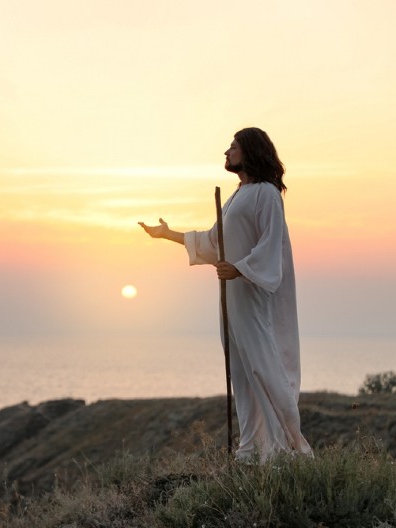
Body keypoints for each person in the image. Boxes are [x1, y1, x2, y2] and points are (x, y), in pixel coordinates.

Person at [139, 127, 312, 462]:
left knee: (263, 368)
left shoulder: (266, 193)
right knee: (243, 374)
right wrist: (166, 234)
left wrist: (241, 269)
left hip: (253, 295)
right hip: (232, 299)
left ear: (249, 151)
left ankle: (290, 451)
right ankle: (251, 451)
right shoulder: (236, 196)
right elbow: (212, 242)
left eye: (233, 147)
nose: (227, 152)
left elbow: (271, 244)